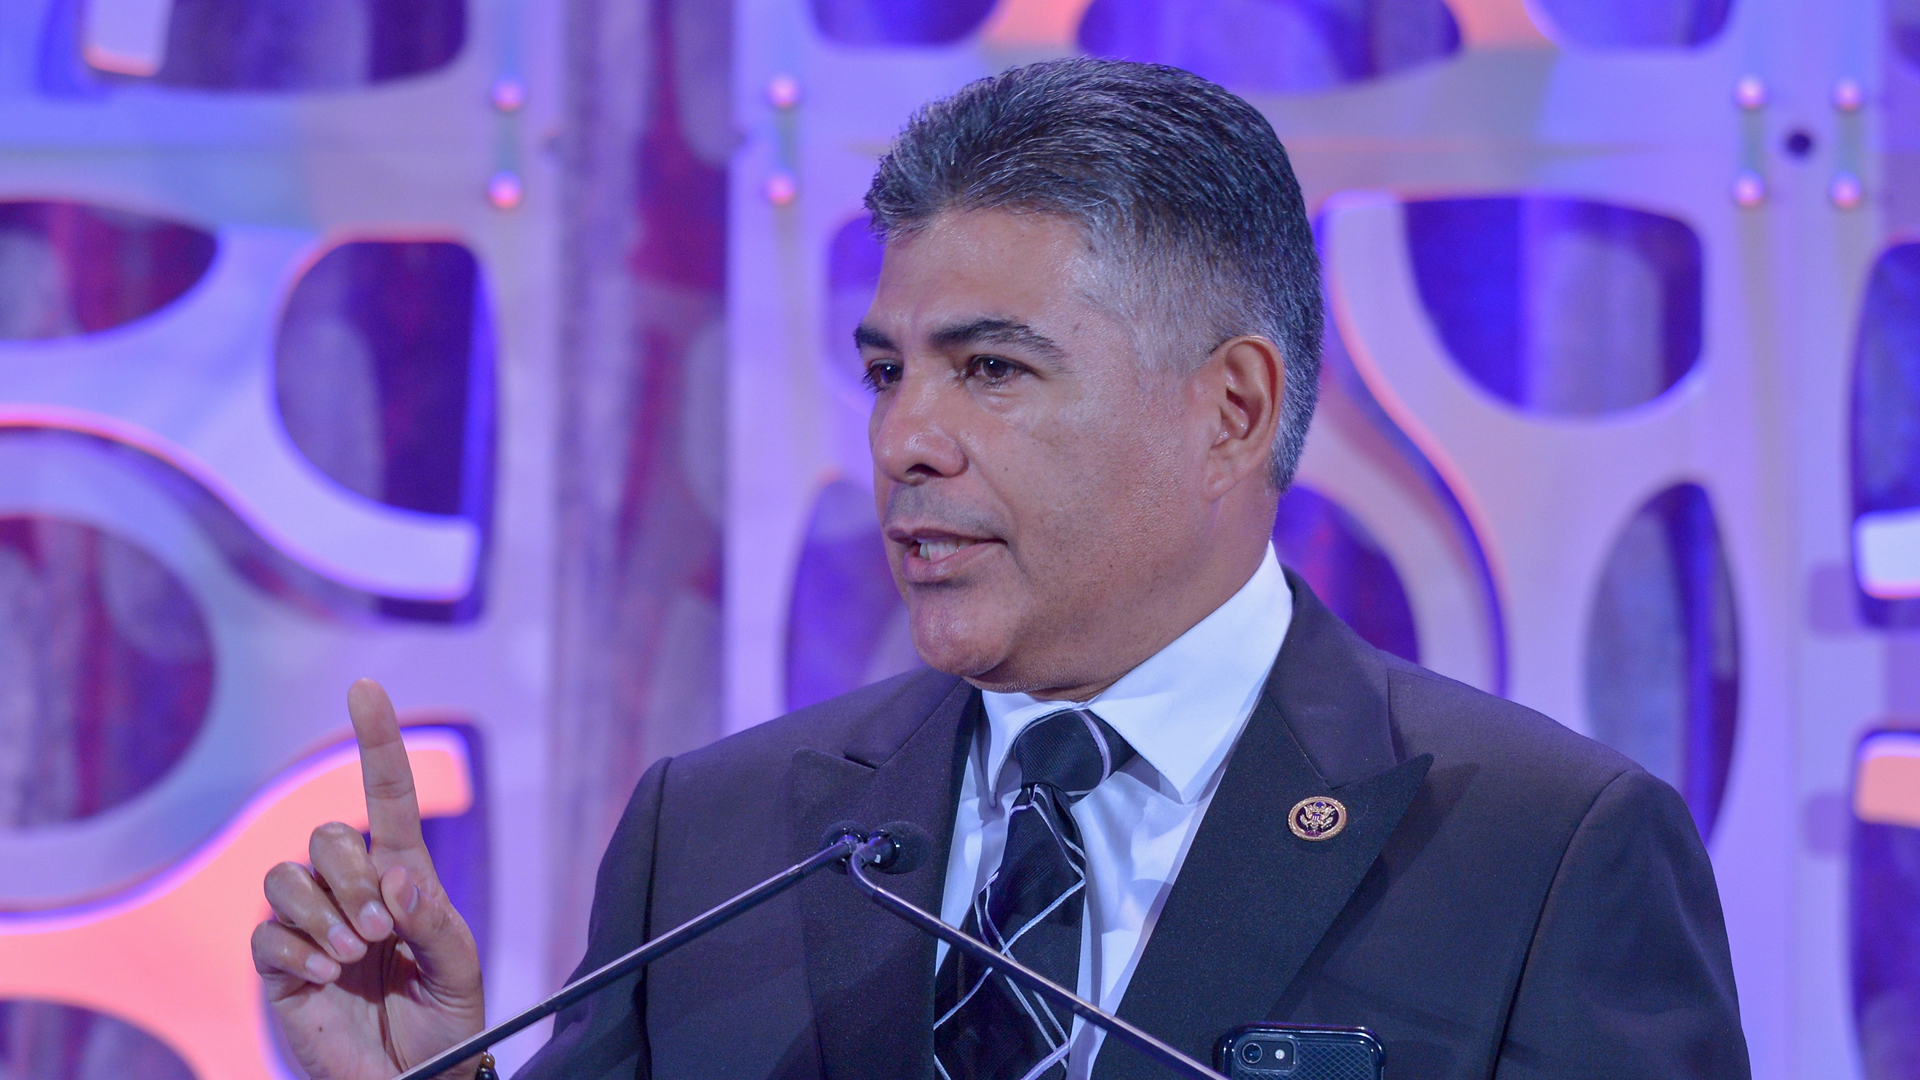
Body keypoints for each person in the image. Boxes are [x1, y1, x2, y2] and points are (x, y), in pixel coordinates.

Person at [251, 58, 1751, 1080]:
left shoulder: (1545, 856)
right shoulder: (714, 839)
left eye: (993, 370)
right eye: (888, 369)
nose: (905, 440)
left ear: (1229, 408)